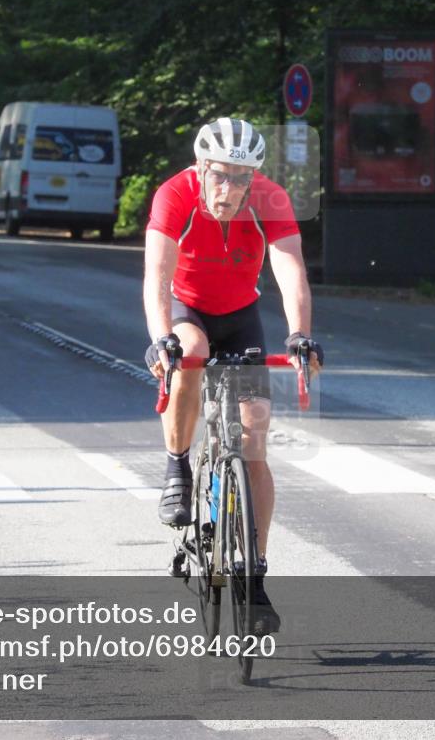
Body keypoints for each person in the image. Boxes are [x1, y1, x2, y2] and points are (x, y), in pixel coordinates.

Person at [142, 117, 323, 635]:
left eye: (241, 178)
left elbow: (290, 271)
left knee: (254, 433)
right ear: (201, 167)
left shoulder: (270, 199)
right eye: (220, 175)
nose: (229, 188)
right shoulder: (175, 195)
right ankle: (178, 466)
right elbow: (156, 277)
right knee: (192, 352)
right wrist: (162, 338)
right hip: (188, 308)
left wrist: (299, 335)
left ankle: (254, 573)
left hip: (241, 313)